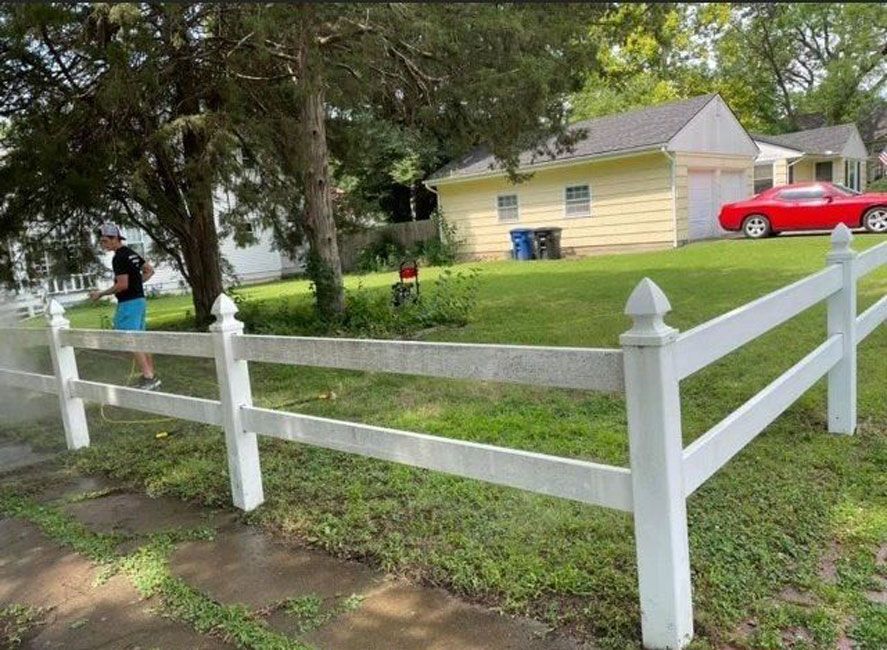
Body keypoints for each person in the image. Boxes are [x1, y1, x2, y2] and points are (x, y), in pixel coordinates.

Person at [89, 223, 161, 391]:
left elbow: (121, 285)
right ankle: (150, 375)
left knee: (131, 339)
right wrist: (136, 284)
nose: (103, 245)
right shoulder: (130, 253)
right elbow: (149, 271)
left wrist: (100, 294)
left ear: (115, 239)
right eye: (101, 241)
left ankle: (148, 378)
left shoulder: (119, 257)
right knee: (140, 338)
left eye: (105, 241)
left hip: (129, 303)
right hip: (139, 301)